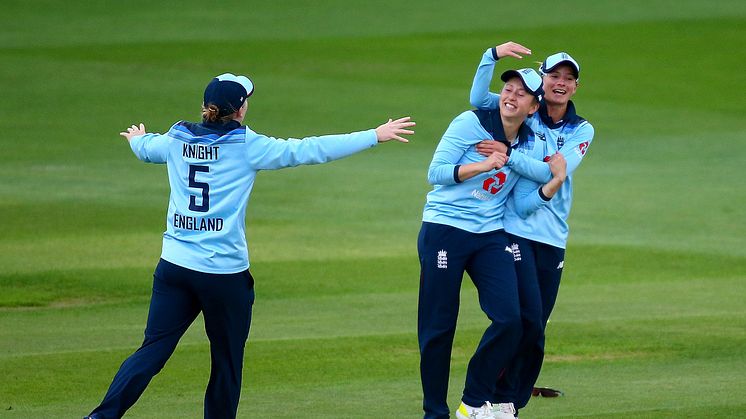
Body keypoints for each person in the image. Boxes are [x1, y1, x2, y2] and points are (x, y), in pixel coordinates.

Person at [84, 73, 415, 419]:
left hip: (175, 267)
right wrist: (373, 136)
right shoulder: (247, 145)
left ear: (204, 107)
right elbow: (308, 149)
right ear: (240, 110)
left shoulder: (176, 136)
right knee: (226, 362)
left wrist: (137, 138)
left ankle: (101, 416)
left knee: (152, 350)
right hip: (223, 275)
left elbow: (146, 149)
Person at [417, 67, 566, 419]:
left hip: (489, 235)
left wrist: (554, 181)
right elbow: (435, 173)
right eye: (508, 89)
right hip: (444, 230)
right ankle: (434, 413)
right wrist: (483, 165)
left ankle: (474, 400)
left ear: (533, 107)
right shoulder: (470, 123)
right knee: (438, 328)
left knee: (511, 320)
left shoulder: (527, 143)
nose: (511, 96)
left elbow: (524, 203)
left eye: (521, 93)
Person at [469, 41, 596, 415]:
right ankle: (483, 396)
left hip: (553, 235)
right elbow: (480, 97)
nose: (560, 82)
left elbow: (557, 171)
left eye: (568, 78)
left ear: (575, 87)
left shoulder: (582, 128)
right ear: (542, 80)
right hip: (513, 228)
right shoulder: (527, 110)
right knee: (520, 320)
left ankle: (509, 403)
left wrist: (509, 156)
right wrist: (490, 56)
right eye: (554, 75)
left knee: (536, 327)